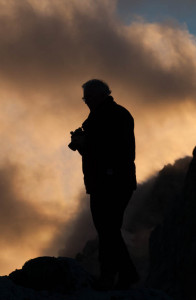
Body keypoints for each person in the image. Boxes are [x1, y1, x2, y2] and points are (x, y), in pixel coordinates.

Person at [69, 79, 139, 290]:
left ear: (100, 95)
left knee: (107, 229)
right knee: (108, 230)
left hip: (111, 181)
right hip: (108, 181)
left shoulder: (113, 116)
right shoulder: (105, 116)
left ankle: (113, 276)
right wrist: (83, 144)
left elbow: (115, 150)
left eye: (88, 98)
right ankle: (123, 275)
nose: (86, 102)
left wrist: (85, 143)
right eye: (84, 99)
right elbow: (100, 150)